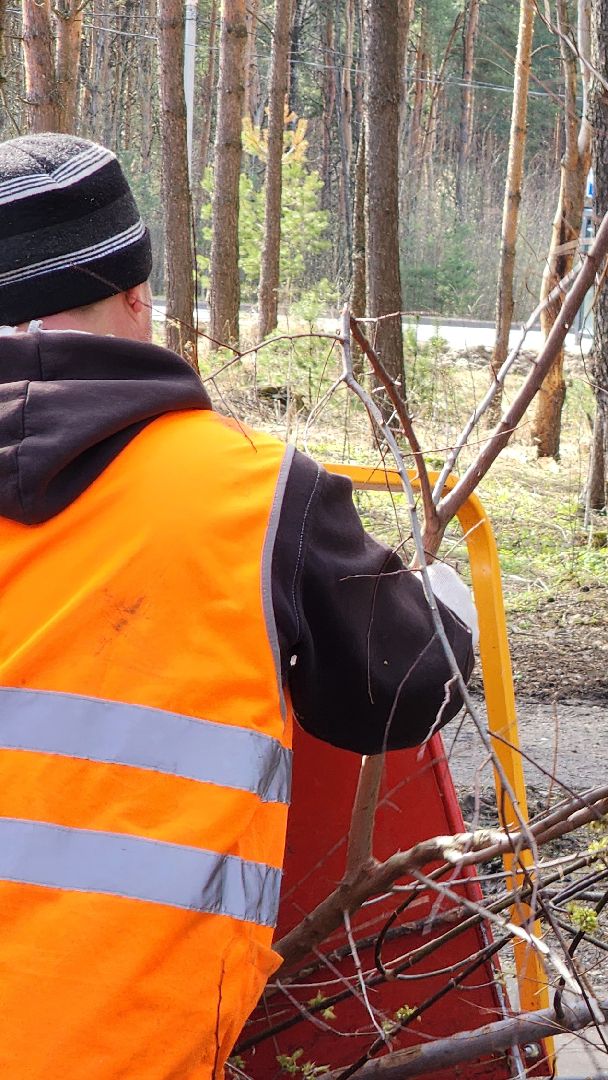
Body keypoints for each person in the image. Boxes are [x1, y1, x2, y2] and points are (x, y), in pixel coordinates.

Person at [0, 134, 477, 1078]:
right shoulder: (254, 498)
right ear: (138, 297)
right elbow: (408, 689)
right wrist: (441, 594)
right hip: (119, 1049)